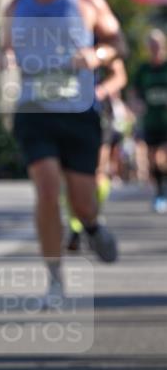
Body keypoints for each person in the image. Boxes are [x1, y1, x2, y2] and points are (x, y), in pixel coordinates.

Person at [0, 0, 123, 304]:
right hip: (35, 111)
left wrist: (96, 56)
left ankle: (92, 225)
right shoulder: (16, 6)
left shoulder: (85, 0)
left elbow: (118, 43)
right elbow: (7, 50)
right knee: (47, 190)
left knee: (82, 201)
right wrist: (3, 61)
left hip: (79, 112)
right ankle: (55, 279)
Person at [66, 57, 127, 251]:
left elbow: (119, 75)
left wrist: (101, 91)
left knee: (98, 173)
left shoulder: (98, 34)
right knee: (68, 175)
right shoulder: (53, 34)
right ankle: (75, 227)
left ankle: (92, 218)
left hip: (97, 115)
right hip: (64, 114)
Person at [132, 29, 167, 213]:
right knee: (153, 159)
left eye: (157, 44)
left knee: (163, 157)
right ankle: (160, 191)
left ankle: (163, 189)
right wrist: (136, 104)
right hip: (151, 121)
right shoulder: (143, 70)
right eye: (151, 44)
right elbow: (134, 92)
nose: (155, 48)